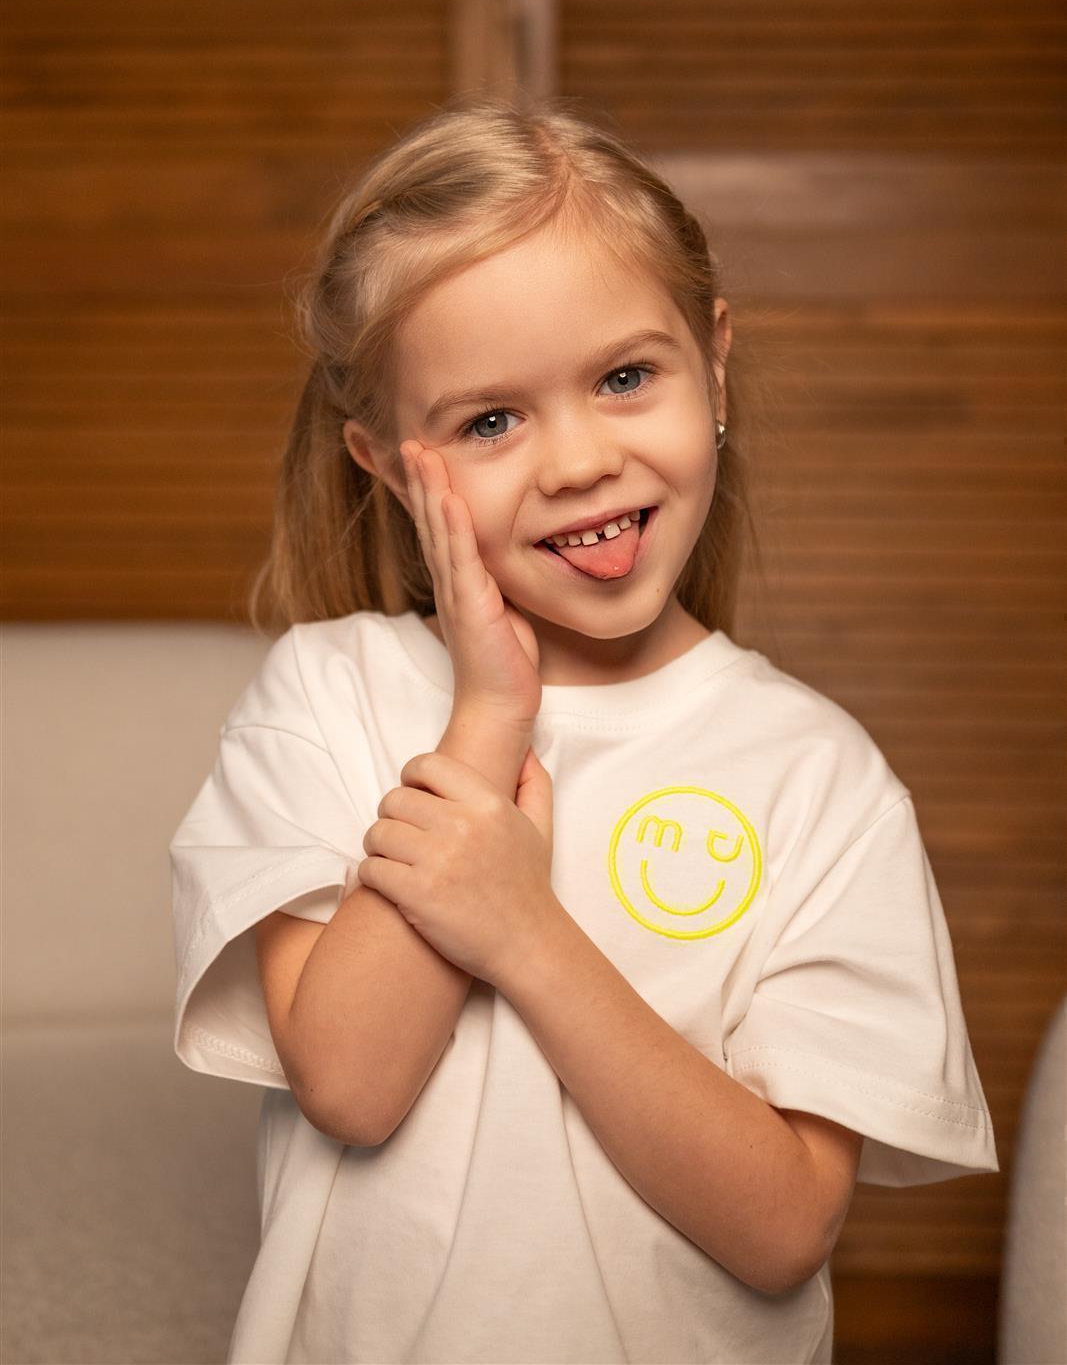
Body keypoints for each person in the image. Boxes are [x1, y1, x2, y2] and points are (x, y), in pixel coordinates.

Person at [169, 94, 999, 1365]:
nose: (574, 462)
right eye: (489, 420)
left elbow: (783, 1226)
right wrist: (486, 722)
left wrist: (523, 931)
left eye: (622, 377)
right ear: (385, 466)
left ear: (711, 366)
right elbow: (350, 1083)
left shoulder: (816, 776)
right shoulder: (326, 693)